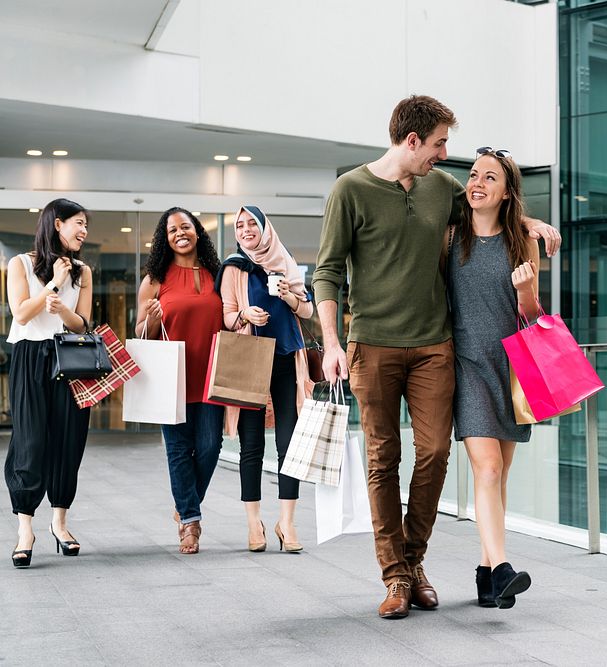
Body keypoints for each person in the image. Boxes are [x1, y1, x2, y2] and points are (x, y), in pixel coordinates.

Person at [313, 94, 561, 619]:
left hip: (434, 347)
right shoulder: (350, 190)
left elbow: (493, 203)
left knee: (433, 455)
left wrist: (533, 225)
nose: (445, 155)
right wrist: (332, 344)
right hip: (373, 345)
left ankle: (416, 559)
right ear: (412, 142)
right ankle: (397, 575)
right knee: (383, 459)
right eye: (440, 144)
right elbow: (328, 272)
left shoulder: (440, 188)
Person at [448, 148, 538, 608]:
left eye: (490, 178)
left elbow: (533, 316)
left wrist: (525, 291)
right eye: (474, 174)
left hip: (512, 369)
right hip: (467, 366)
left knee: (498, 476)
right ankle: (503, 567)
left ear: (506, 193)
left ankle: (487, 575)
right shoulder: (448, 238)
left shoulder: (523, 243)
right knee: (486, 468)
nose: (477, 182)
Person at [216, 206, 313, 553]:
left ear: (264, 228)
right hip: (250, 360)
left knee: (290, 445)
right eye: (239, 226)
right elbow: (226, 316)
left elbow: (307, 310)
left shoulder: (284, 261)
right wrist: (243, 314)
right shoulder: (233, 267)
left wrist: (287, 295)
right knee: (252, 445)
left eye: (251, 224)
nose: (245, 230)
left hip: (286, 356)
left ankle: (287, 522)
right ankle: (253, 522)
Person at [5, 199, 93, 568]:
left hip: (69, 358)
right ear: (57, 224)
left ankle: (60, 523)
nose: (84, 231)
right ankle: (25, 528)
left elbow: (83, 324)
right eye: (79, 223)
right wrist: (52, 287)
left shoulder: (84, 271)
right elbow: (21, 313)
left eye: (86, 224)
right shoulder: (20, 263)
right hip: (29, 355)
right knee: (30, 440)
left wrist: (65, 310)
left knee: (68, 440)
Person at [135, 207, 224, 554]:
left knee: (209, 447)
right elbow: (142, 333)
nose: (180, 234)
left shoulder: (218, 274)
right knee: (177, 451)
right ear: (165, 238)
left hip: (211, 376)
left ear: (197, 231)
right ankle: (190, 522)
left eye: (185, 227)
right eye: (172, 230)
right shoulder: (155, 278)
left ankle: (187, 503)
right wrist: (153, 316)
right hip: (170, 377)